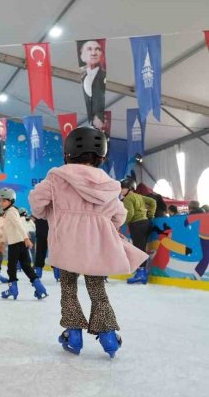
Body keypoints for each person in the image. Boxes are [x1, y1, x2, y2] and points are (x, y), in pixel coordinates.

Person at [29, 126, 148, 358]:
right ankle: (109, 337)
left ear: (68, 153)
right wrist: (105, 225)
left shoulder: (57, 177)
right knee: (97, 289)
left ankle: (73, 334)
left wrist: (50, 213)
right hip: (97, 246)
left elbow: (36, 202)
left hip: (65, 244)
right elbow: (120, 215)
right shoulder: (109, 184)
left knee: (68, 288)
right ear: (101, 157)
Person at [0, 188, 48, 300]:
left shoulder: (10, 212)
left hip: (16, 244)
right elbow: (7, 230)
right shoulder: (10, 212)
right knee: (26, 266)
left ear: (11, 201)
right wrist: (2, 242)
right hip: (19, 244)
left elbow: (19, 226)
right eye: (0, 201)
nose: (1, 203)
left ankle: (12, 289)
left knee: (11, 268)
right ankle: (40, 288)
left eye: (4, 201)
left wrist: (26, 239)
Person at [120, 177, 156, 284]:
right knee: (141, 249)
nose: (121, 190)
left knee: (139, 250)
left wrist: (121, 223)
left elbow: (130, 214)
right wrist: (150, 216)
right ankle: (141, 272)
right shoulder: (139, 197)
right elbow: (153, 201)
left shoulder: (128, 199)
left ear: (130, 188)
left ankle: (141, 274)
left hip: (137, 225)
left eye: (123, 188)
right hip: (145, 224)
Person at [77, 40, 106, 128]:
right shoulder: (82, 76)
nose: (93, 53)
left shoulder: (103, 76)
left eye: (97, 49)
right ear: (82, 56)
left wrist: (99, 117)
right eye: (89, 49)